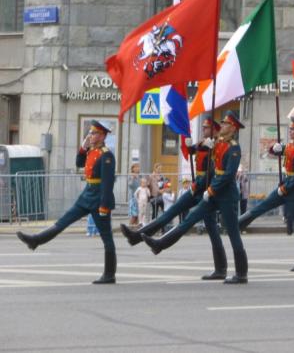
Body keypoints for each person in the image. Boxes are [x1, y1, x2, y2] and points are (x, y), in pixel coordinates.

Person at [142, 111, 248, 284]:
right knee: (189, 220)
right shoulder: (218, 143)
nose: (222, 126)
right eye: (222, 123)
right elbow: (206, 160)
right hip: (213, 193)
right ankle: (160, 244)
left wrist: (211, 189)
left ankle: (241, 273)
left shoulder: (234, 148)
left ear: (233, 128)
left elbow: (228, 175)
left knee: (233, 233)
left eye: (226, 124)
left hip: (226, 195)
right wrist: (194, 146)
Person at [121, 118, 228, 280]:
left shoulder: (218, 147)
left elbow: (212, 172)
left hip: (206, 191)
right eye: (203, 127)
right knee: (169, 213)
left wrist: (208, 154)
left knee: (205, 228)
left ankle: (220, 269)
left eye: (206, 128)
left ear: (214, 130)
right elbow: (193, 152)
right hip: (197, 189)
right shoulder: (205, 144)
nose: (204, 130)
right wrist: (190, 144)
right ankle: (136, 236)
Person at [16, 120, 117, 284]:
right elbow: (78, 163)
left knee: (107, 237)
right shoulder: (91, 151)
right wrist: (83, 148)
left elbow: (108, 182)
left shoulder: (107, 155)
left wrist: (104, 206)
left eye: (94, 133)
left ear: (103, 135)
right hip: (87, 195)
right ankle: (36, 240)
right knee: (64, 221)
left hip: (99, 199)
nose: (90, 136)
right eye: (90, 133)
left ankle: (109, 274)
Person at [238, 117, 294, 271]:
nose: (290, 131)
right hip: (285, 186)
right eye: (290, 129)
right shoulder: (290, 146)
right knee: (264, 205)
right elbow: (275, 151)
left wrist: (286, 188)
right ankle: (240, 223)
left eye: (293, 129)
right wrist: (275, 148)